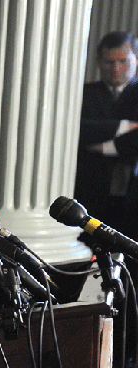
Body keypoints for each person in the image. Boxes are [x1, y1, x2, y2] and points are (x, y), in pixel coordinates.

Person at [75, 31, 138, 240]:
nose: (116, 68)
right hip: (88, 192)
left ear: (135, 59)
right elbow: (77, 131)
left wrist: (101, 144)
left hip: (132, 196)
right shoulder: (82, 93)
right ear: (99, 62)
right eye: (109, 62)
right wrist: (125, 126)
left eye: (123, 61)